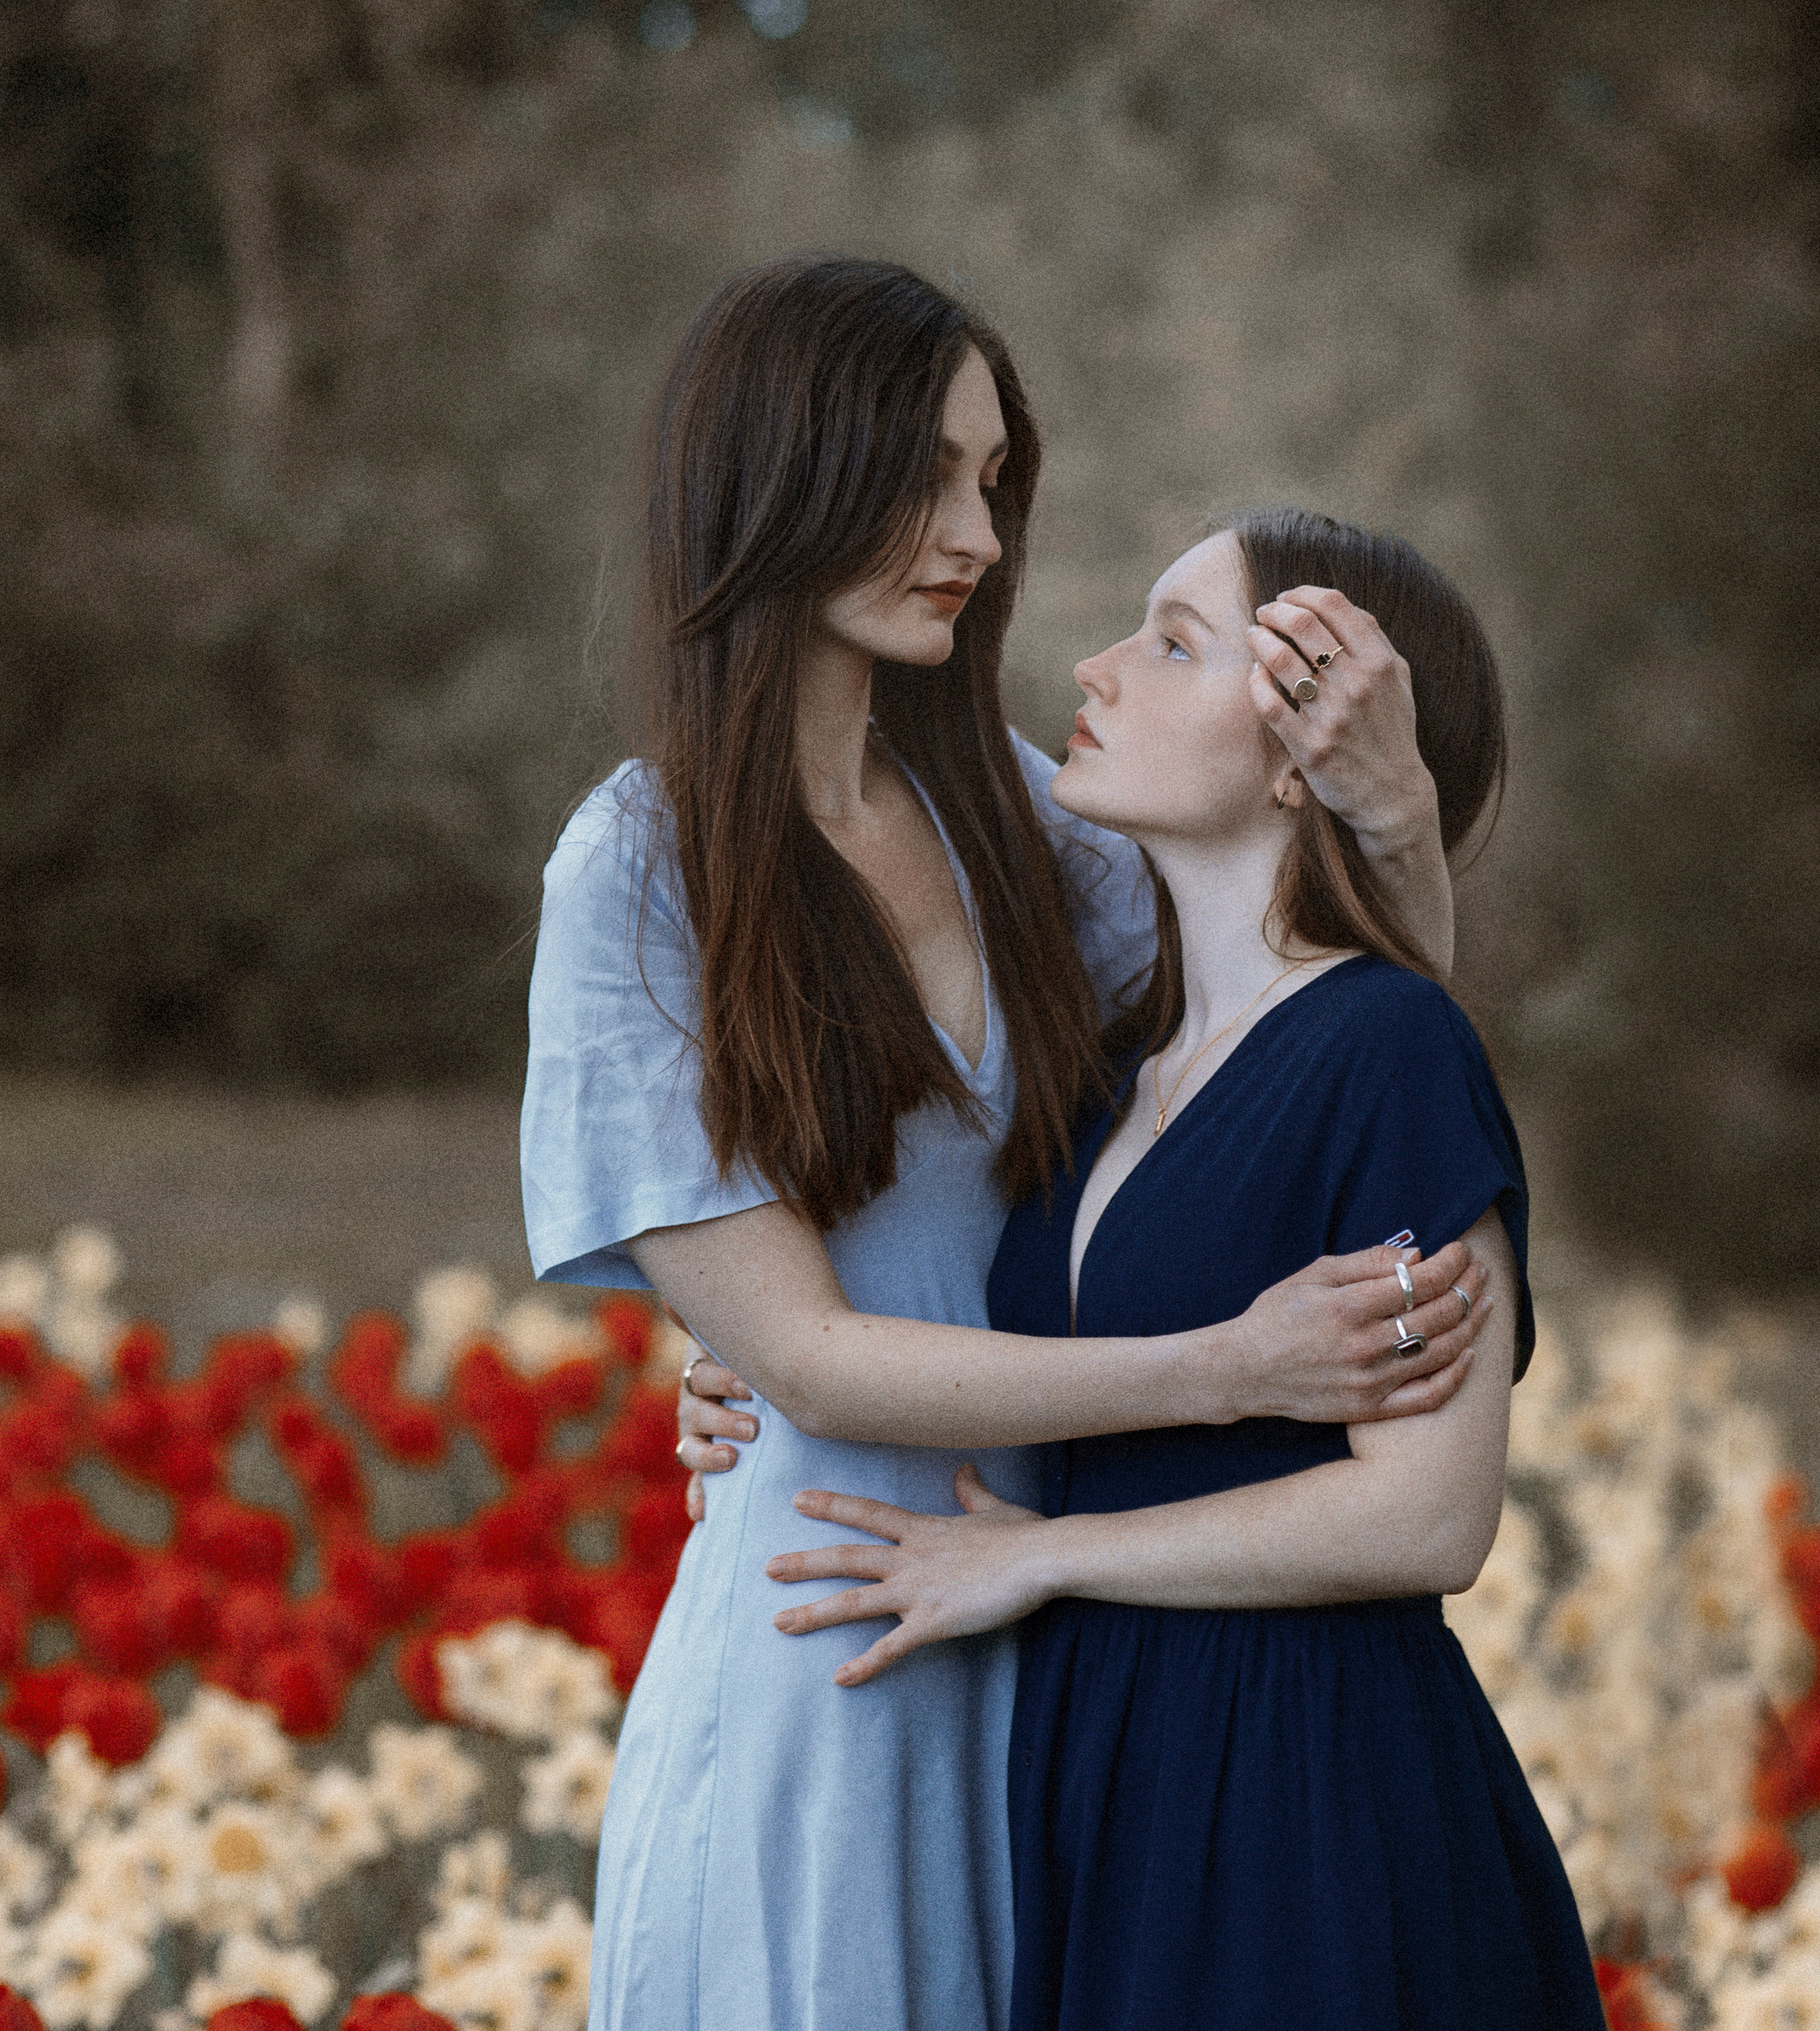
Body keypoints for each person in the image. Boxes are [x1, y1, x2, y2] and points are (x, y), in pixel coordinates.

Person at [520, 257, 1487, 2031]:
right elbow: (810, 1349)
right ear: (784, 468)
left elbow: (1333, 1016)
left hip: (1071, 1632)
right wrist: (1223, 1365)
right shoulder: (641, 870)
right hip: (838, 1624)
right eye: (928, 474)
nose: (973, 530)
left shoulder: (1032, 824)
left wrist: (1398, 808)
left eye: (991, 478)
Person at [758, 506, 1605, 2031]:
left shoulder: (1387, 1046)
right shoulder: (1102, 1071)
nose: (1093, 664)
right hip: (1108, 1771)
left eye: (1169, 640)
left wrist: (1041, 1554)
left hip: (1308, 1790)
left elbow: (1427, 1511)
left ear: (1300, 750)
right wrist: (740, 1348)